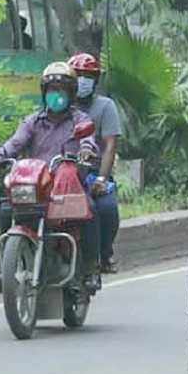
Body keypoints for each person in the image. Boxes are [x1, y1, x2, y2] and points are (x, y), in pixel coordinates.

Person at [0, 62, 101, 290]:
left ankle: (90, 269)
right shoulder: (32, 121)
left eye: (62, 90)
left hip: (68, 186)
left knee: (90, 211)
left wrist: (86, 151)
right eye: (52, 90)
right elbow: (15, 142)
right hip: (37, 185)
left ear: (71, 93)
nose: (56, 95)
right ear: (44, 93)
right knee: (6, 209)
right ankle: (9, 268)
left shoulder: (81, 121)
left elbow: (88, 141)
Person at [68, 53, 122, 274]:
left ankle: (104, 253)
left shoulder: (105, 107)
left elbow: (110, 146)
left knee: (106, 209)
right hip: (64, 169)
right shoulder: (61, 105)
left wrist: (101, 178)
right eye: (78, 76)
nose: (82, 81)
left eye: (87, 77)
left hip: (92, 172)